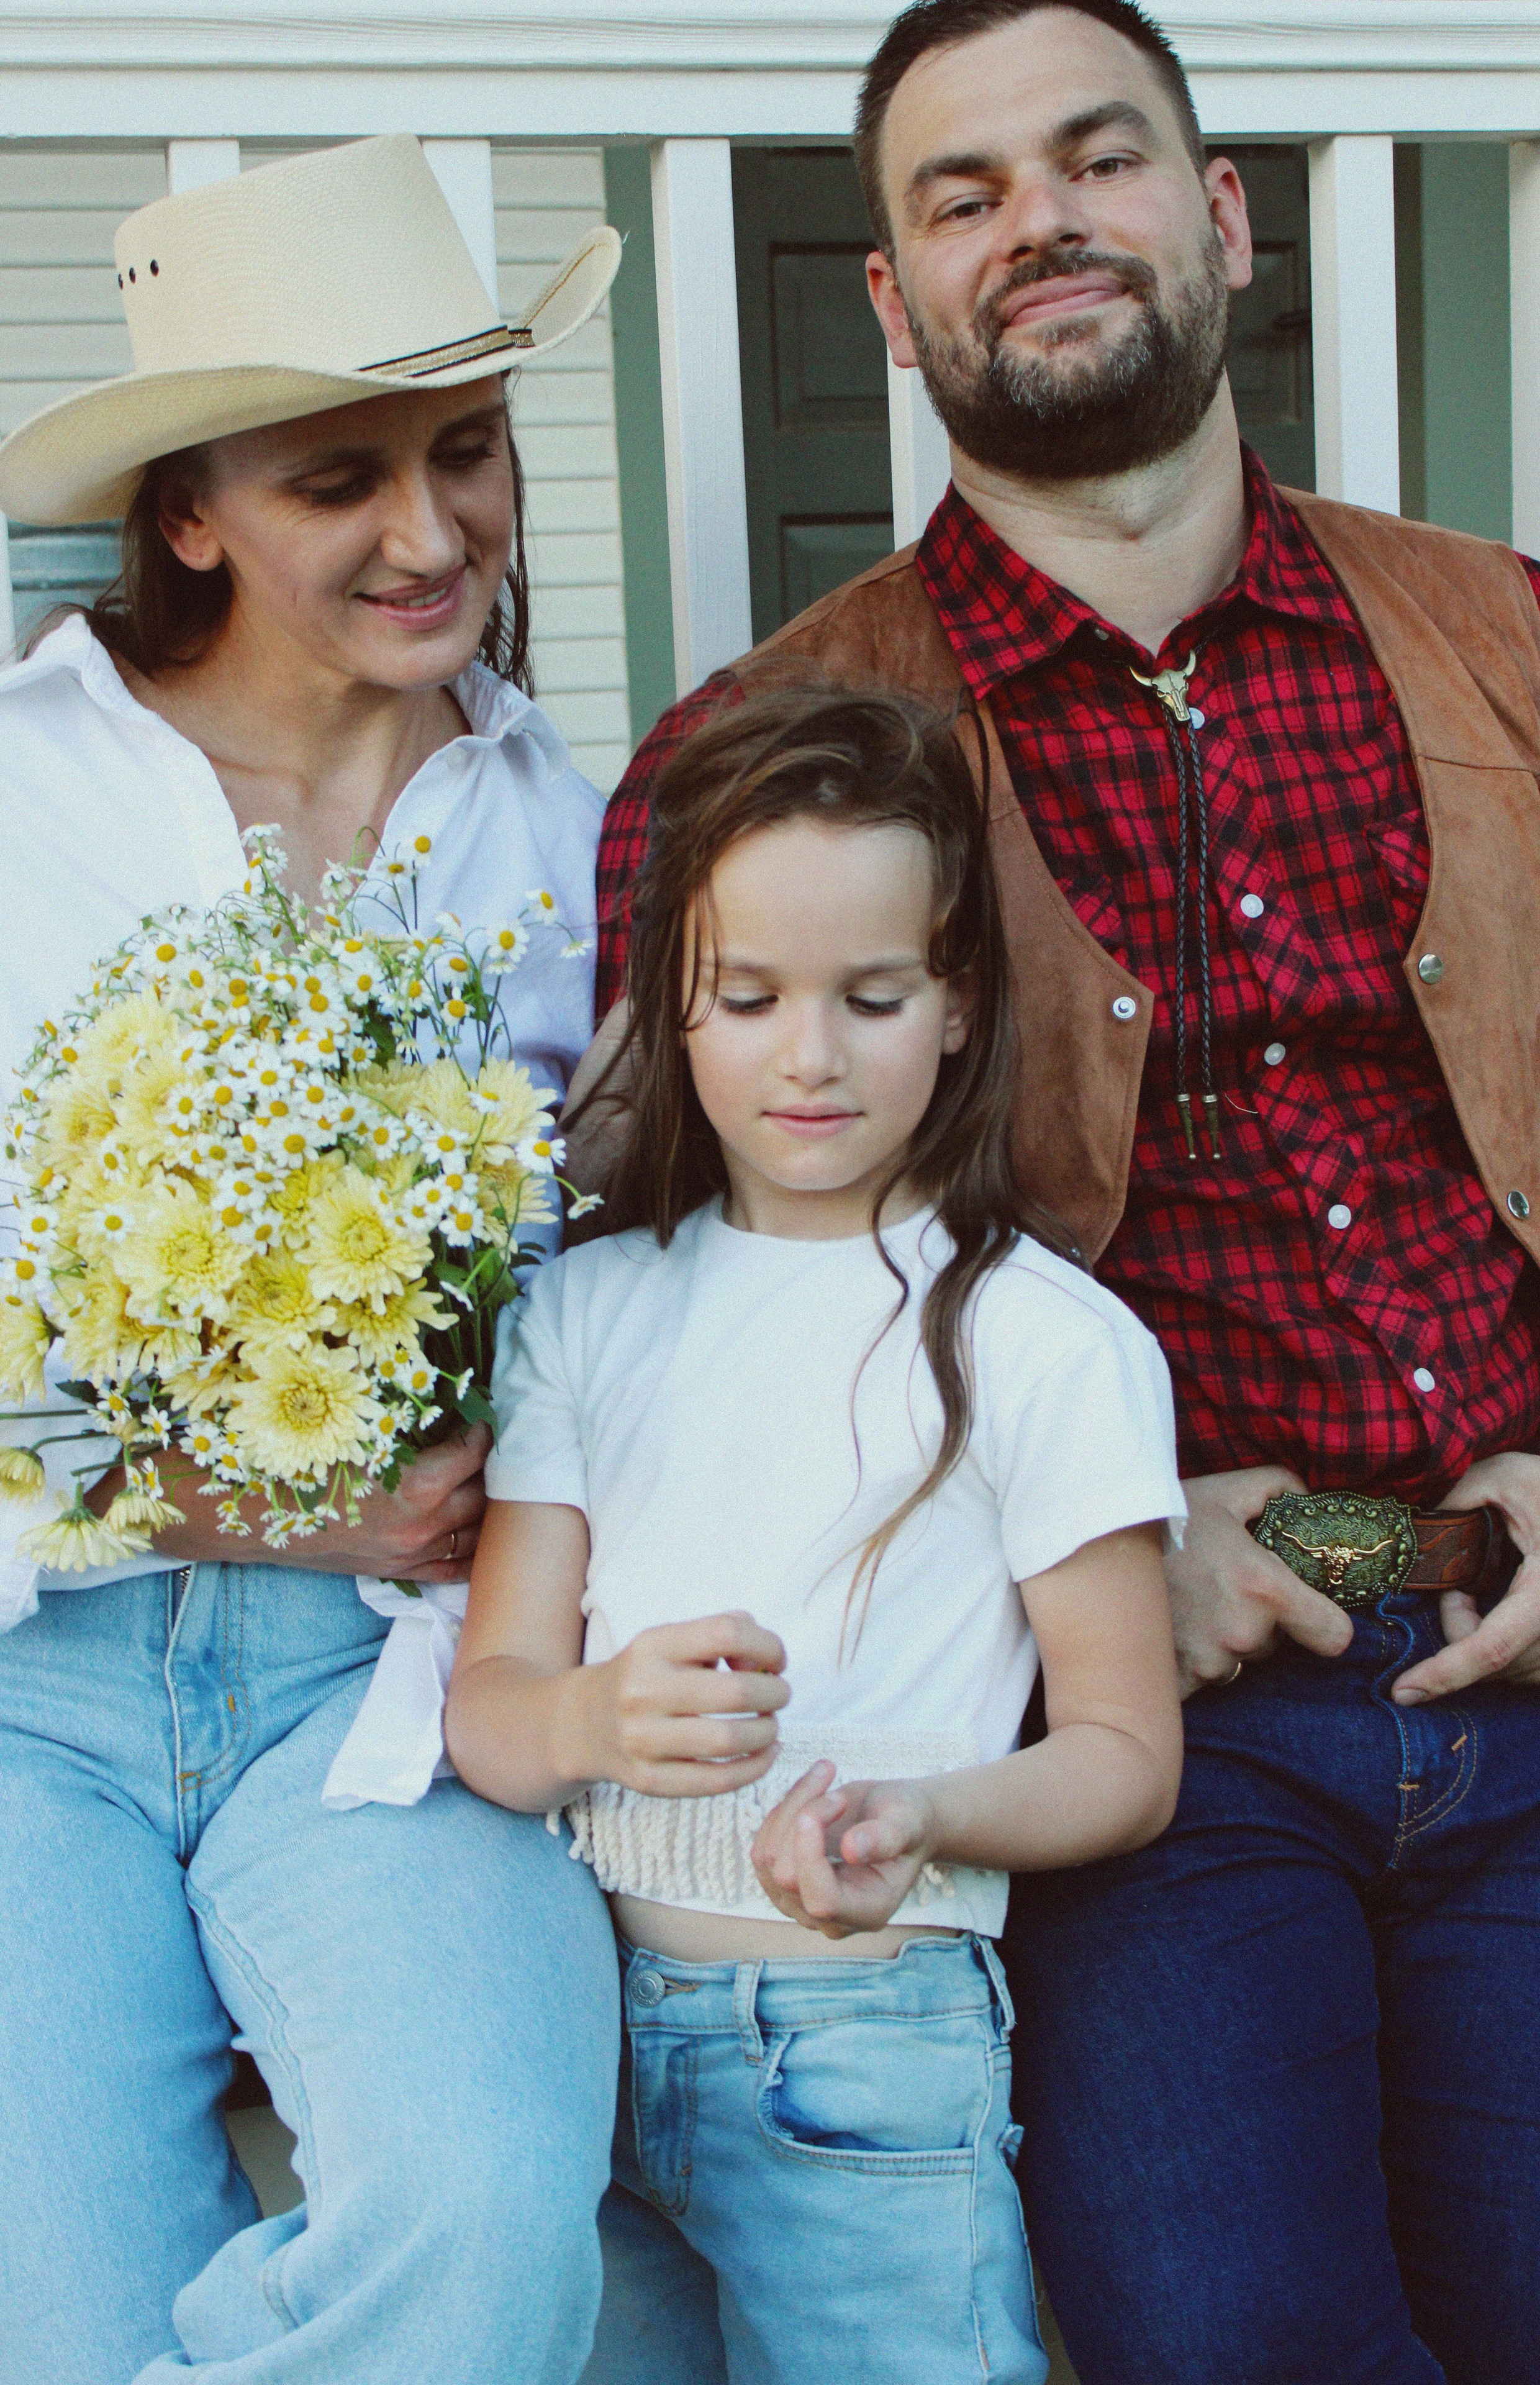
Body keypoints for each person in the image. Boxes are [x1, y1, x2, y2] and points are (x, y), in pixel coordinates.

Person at [590, 5, 1540, 2381]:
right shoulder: (763, 760)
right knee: (1230, 2335)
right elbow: (675, 1323)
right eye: (960, 193)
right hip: (1142, 1744)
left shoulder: (1514, 644)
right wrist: (1117, 1534)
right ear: (892, 299)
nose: (1039, 220)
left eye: (1098, 158)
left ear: (1220, 218)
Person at [0, 136, 625, 2384]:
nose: (433, 534)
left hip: (388, 1693)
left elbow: (640, 1291)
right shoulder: (18, 801)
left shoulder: (584, 839)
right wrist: (180, 1497)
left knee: (475, 2222)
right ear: (189, 511)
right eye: (340, 475)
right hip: (24, 1695)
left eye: (469, 454)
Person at [446, 684, 1186, 2385]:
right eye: (749, 997)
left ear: (957, 1008)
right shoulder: (591, 1314)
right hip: (583, 2044)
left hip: (871, 2046)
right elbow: (493, 1708)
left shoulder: (1043, 1340)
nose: (810, 1056)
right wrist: (588, 1715)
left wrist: (928, 1809)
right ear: (671, 1012)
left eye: (872, 997)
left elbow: (1127, 1752)